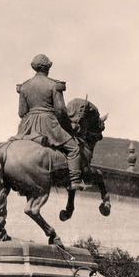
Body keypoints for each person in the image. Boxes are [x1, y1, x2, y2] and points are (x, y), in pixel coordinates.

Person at [16, 54, 87, 190]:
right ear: (47, 68)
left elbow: (21, 113)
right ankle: (74, 181)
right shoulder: (54, 85)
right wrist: (70, 126)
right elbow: (60, 111)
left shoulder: (24, 86)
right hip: (49, 125)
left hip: (28, 126)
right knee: (74, 149)